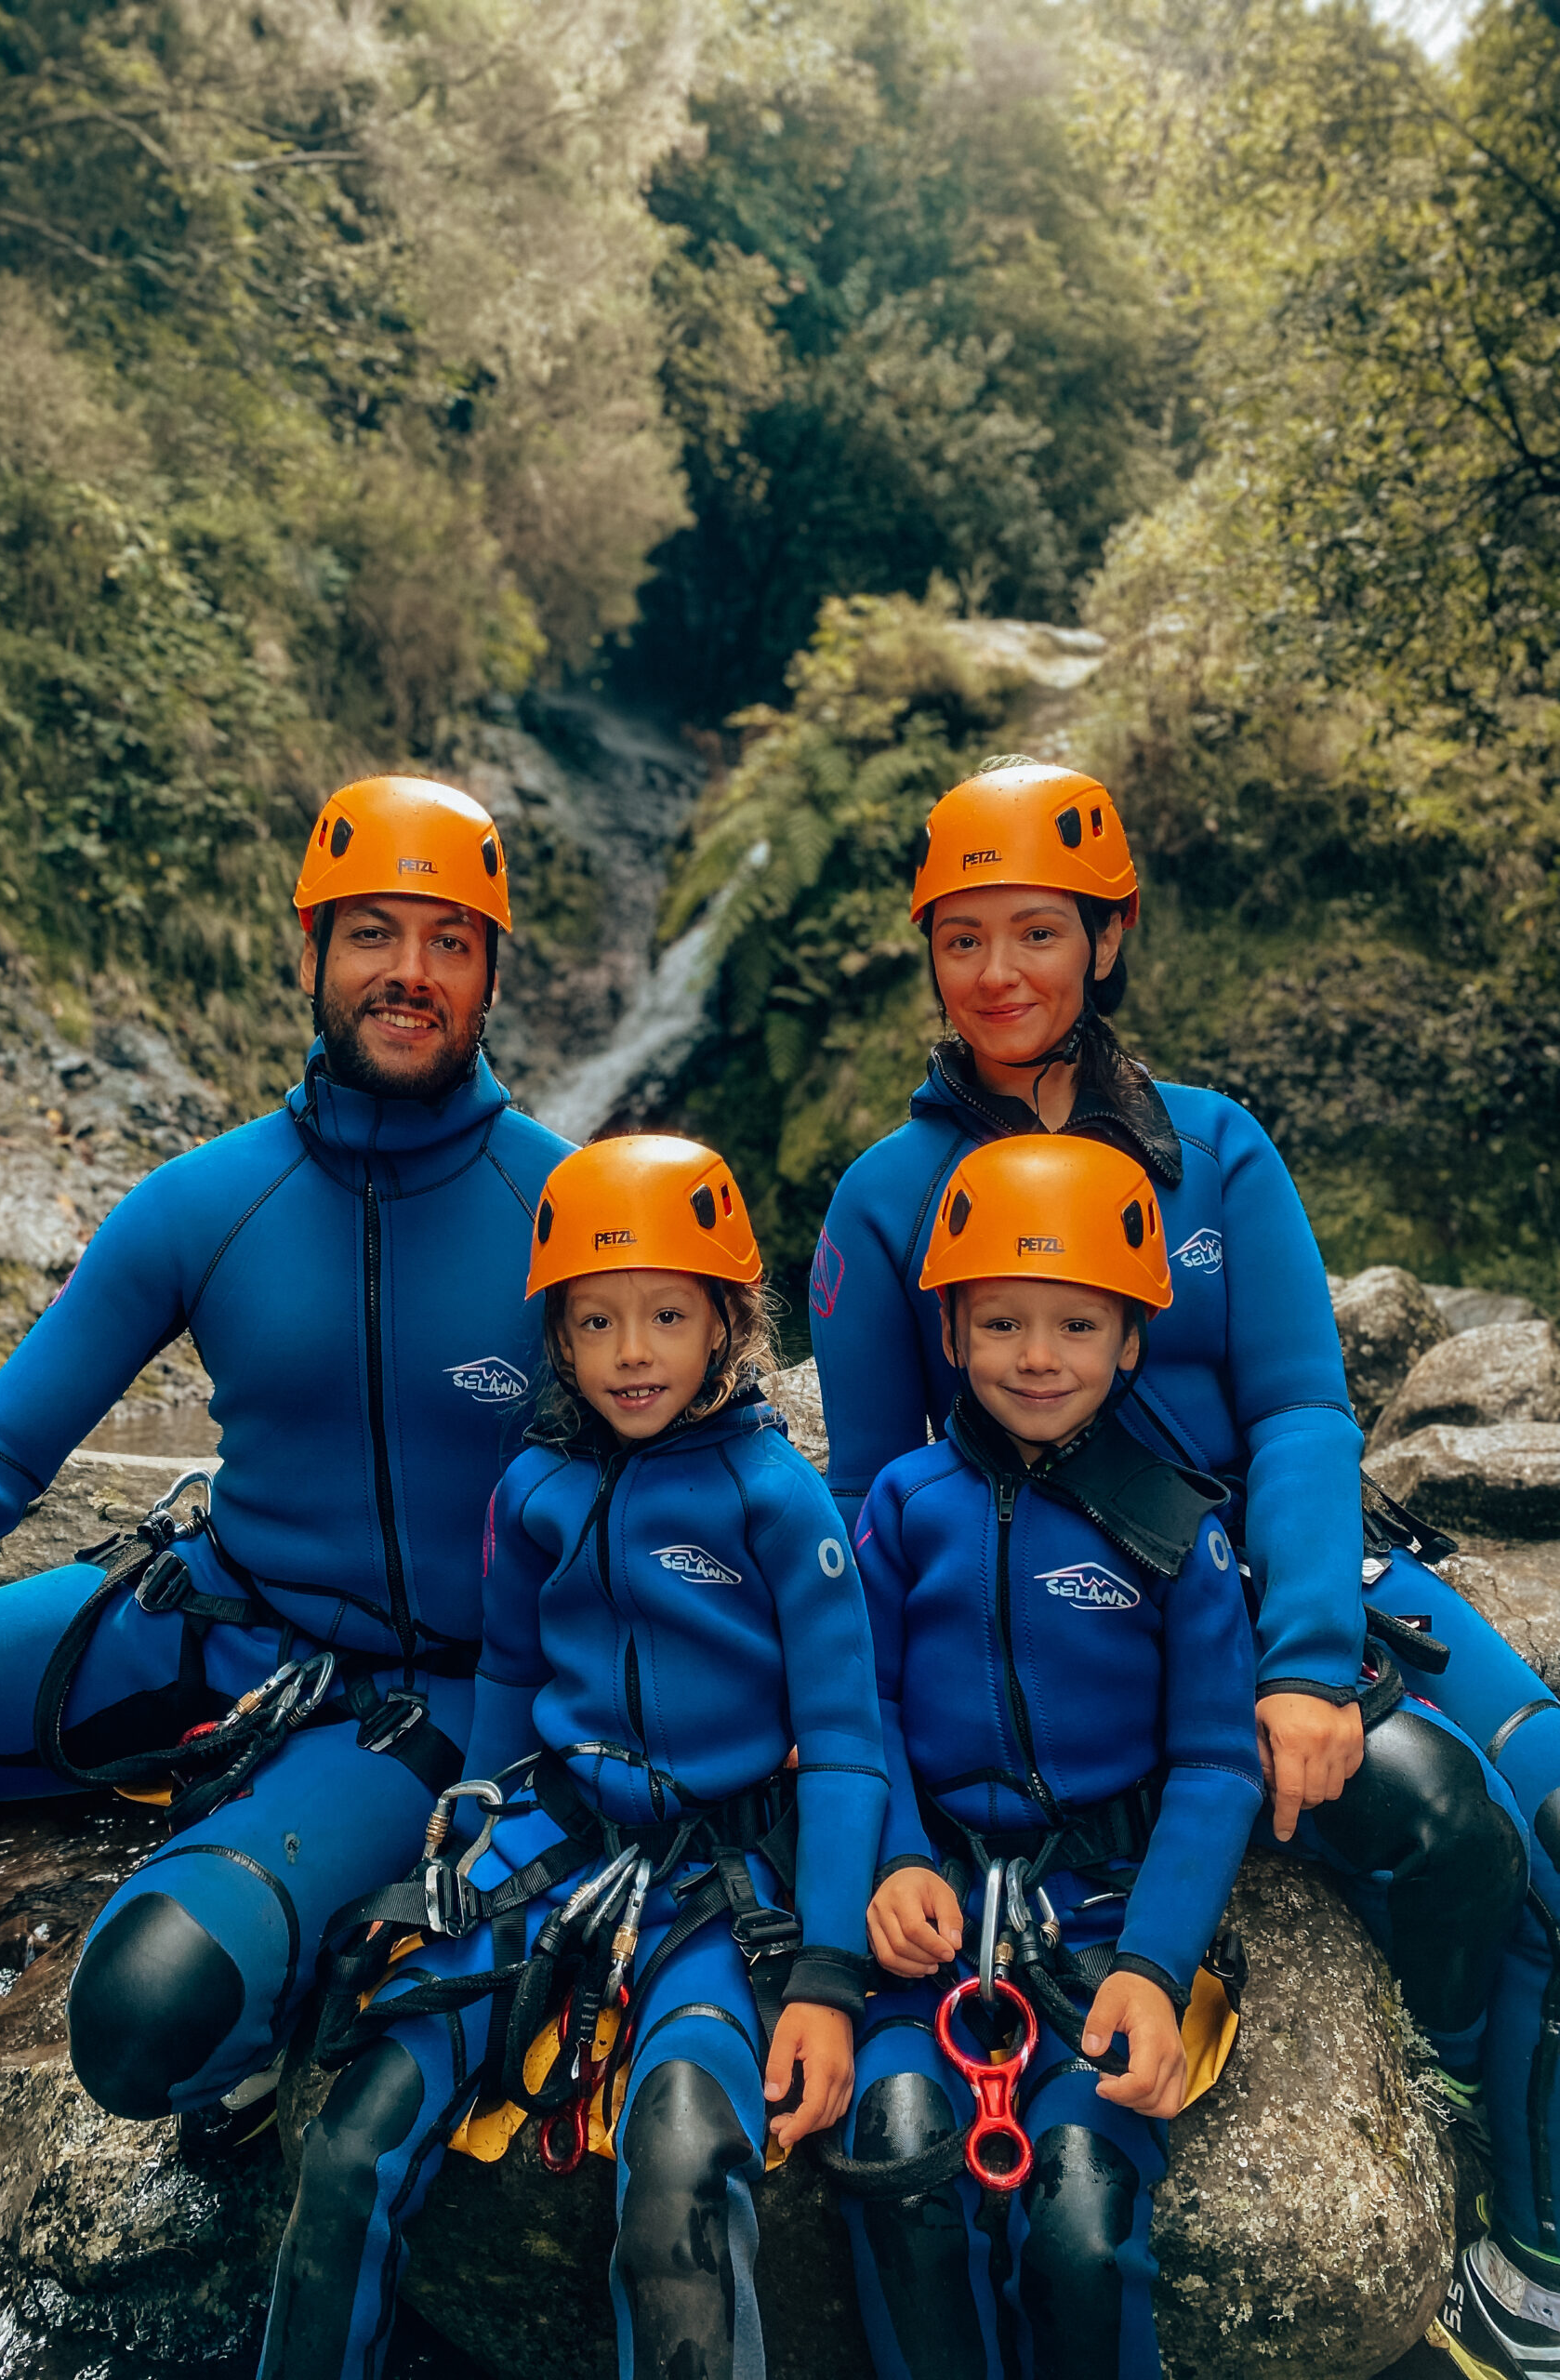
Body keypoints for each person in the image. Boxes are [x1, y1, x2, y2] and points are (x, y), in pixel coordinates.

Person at [810, 755, 1545, 2375]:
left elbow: (1296, 1409)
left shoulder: (1217, 1152)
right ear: (928, 957)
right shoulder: (882, 1203)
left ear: (1110, 937)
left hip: (1283, 1578)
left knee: (1540, 1811)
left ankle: (1520, 2232)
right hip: (1091, 1644)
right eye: (962, 940)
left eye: (1040, 933)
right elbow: (872, 1505)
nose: (1000, 976)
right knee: (1430, 1820)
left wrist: (1295, 1655)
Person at [0, 774, 570, 2187]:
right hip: (209, 1617)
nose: (409, 971)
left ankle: (263, 2028)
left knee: (147, 2010)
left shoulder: (565, 1217)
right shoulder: (210, 1202)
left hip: (421, 1706)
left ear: (493, 972)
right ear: (309, 951)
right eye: (373, 932)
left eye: (450, 940)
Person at [259, 1133, 888, 2380]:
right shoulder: (536, 1488)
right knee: (352, 2141)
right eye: (596, 1322)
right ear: (556, 1337)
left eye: (667, 1314)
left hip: (718, 1881)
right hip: (549, 1846)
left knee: (678, 2175)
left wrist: (826, 1977)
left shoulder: (779, 1500)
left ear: (727, 1322)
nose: (633, 1353)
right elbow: (506, 1675)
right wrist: (468, 1831)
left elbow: (851, 1745)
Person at [836, 1131, 1262, 2380]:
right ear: (953, 1332)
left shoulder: (1178, 1535)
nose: (1036, 1357)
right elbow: (857, 1707)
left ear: (1133, 1341)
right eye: (1002, 1322)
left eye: (1077, 1327)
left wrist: (1154, 1964)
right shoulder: (905, 1509)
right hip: (936, 1916)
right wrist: (897, 1860)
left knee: (1078, 2217)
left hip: (1102, 1924)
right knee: (906, 2156)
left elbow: (1217, 1763)